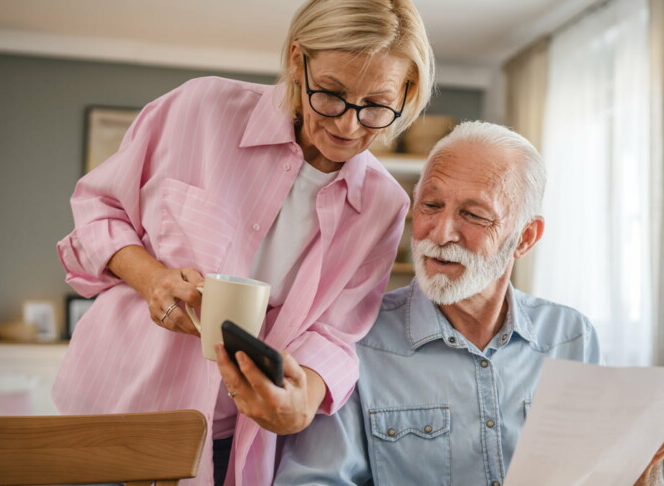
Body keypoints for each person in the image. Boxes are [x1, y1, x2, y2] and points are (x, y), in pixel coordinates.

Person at [52, 1, 434, 485]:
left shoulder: (382, 206)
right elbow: (97, 211)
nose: (348, 125)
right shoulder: (199, 109)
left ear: (407, 92)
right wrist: (152, 279)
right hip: (108, 408)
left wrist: (305, 400)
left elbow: (336, 336)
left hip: (228, 442)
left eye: (377, 105)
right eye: (332, 95)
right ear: (298, 60)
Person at [273, 121, 664, 485]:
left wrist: (646, 461)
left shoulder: (572, 337)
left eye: (473, 215)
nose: (440, 233)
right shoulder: (355, 339)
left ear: (525, 238)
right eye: (431, 206)